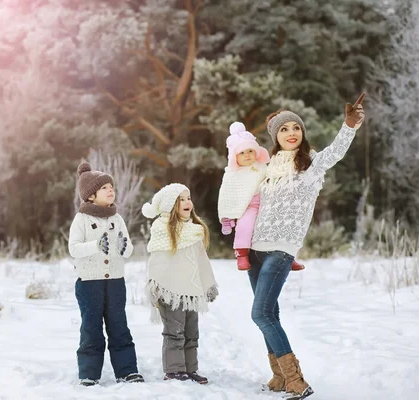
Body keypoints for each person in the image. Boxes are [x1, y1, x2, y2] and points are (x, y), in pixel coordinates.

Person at [248, 93, 366, 399]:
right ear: (276, 136)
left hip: (281, 249)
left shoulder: (311, 163)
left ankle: (296, 381)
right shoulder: (269, 166)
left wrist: (349, 125)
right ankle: (278, 377)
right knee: (269, 313)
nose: (291, 133)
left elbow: (335, 152)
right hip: (256, 249)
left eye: (295, 128)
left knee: (260, 314)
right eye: (284, 129)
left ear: (302, 133)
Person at [68, 161, 144, 386]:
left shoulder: (117, 218)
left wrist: (122, 246)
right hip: (89, 283)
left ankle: (127, 370)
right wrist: (95, 246)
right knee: (91, 328)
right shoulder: (81, 219)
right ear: (91, 195)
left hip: (115, 282)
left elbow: (128, 249)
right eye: (104, 188)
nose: (111, 190)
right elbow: (73, 249)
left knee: (119, 326)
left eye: (111, 187)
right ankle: (89, 374)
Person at [142, 183, 218, 384]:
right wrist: (156, 285)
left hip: (190, 292)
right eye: (181, 199)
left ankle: (190, 369)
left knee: (191, 333)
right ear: (169, 205)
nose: (187, 202)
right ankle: (174, 370)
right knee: (175, 332)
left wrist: (208, 284)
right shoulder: (162, 228)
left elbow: (201, 260)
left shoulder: (194, 231)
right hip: (169, 291)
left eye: (188, 198)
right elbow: (158, 261)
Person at [217, 121, 305, 271]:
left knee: (281, 224)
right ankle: (242, 253)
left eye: (250, 151)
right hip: (249, 206)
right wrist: (227, 217)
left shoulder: (262, 167)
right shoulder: (233, 173)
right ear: (234, 157)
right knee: (245, 225)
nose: (247, 155)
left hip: (267, 202)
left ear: (256, 152)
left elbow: (275, 179)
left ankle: (288, 256)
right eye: (242, 153)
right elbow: (227, 196)